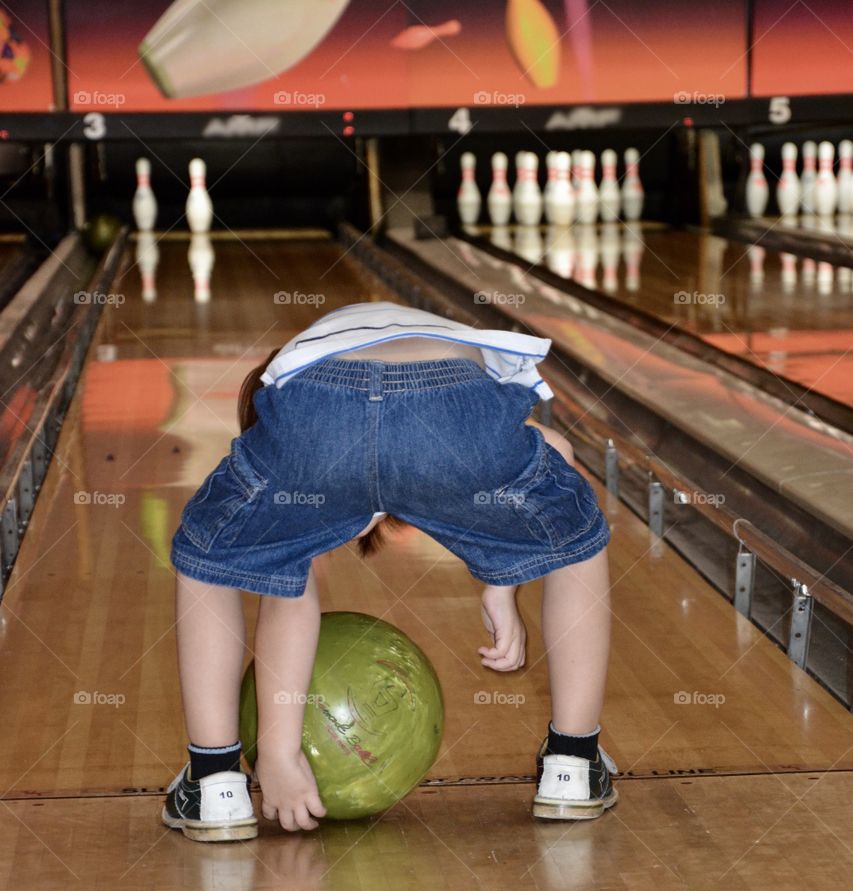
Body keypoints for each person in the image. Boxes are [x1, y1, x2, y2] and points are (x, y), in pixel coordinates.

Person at [162, 301, 616, 840]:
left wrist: (280, 755)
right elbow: (545, 468)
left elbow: (289, 596)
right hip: (453, 408)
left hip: (320, 417)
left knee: (206, 556)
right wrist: (501, 580)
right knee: (577, 538)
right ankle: (574, 763)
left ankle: (215, 783)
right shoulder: (437, 337)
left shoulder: (291, 387)